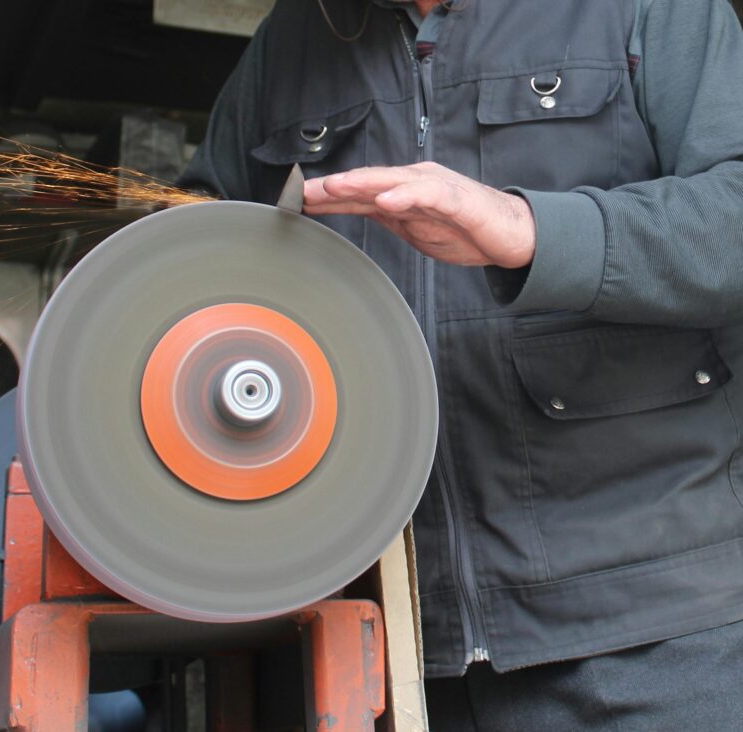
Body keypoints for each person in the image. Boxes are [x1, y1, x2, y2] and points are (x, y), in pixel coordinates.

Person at [180, 0, 743, 728]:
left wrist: (530, 230)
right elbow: (198, 243)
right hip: (400, 650)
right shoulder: (295, 37)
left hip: (653, 627)